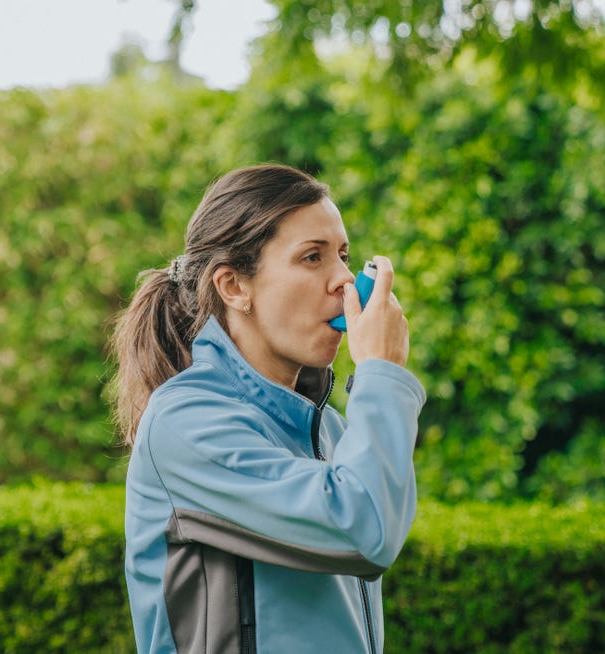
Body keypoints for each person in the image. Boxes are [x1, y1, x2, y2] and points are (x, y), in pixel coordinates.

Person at [113, 163, 425, 653]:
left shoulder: (332, 432)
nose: (345, 281)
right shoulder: (186, 422)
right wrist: (382, 373)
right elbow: (365, 530)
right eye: (312, 257)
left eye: (343, 255)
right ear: (234, 287)